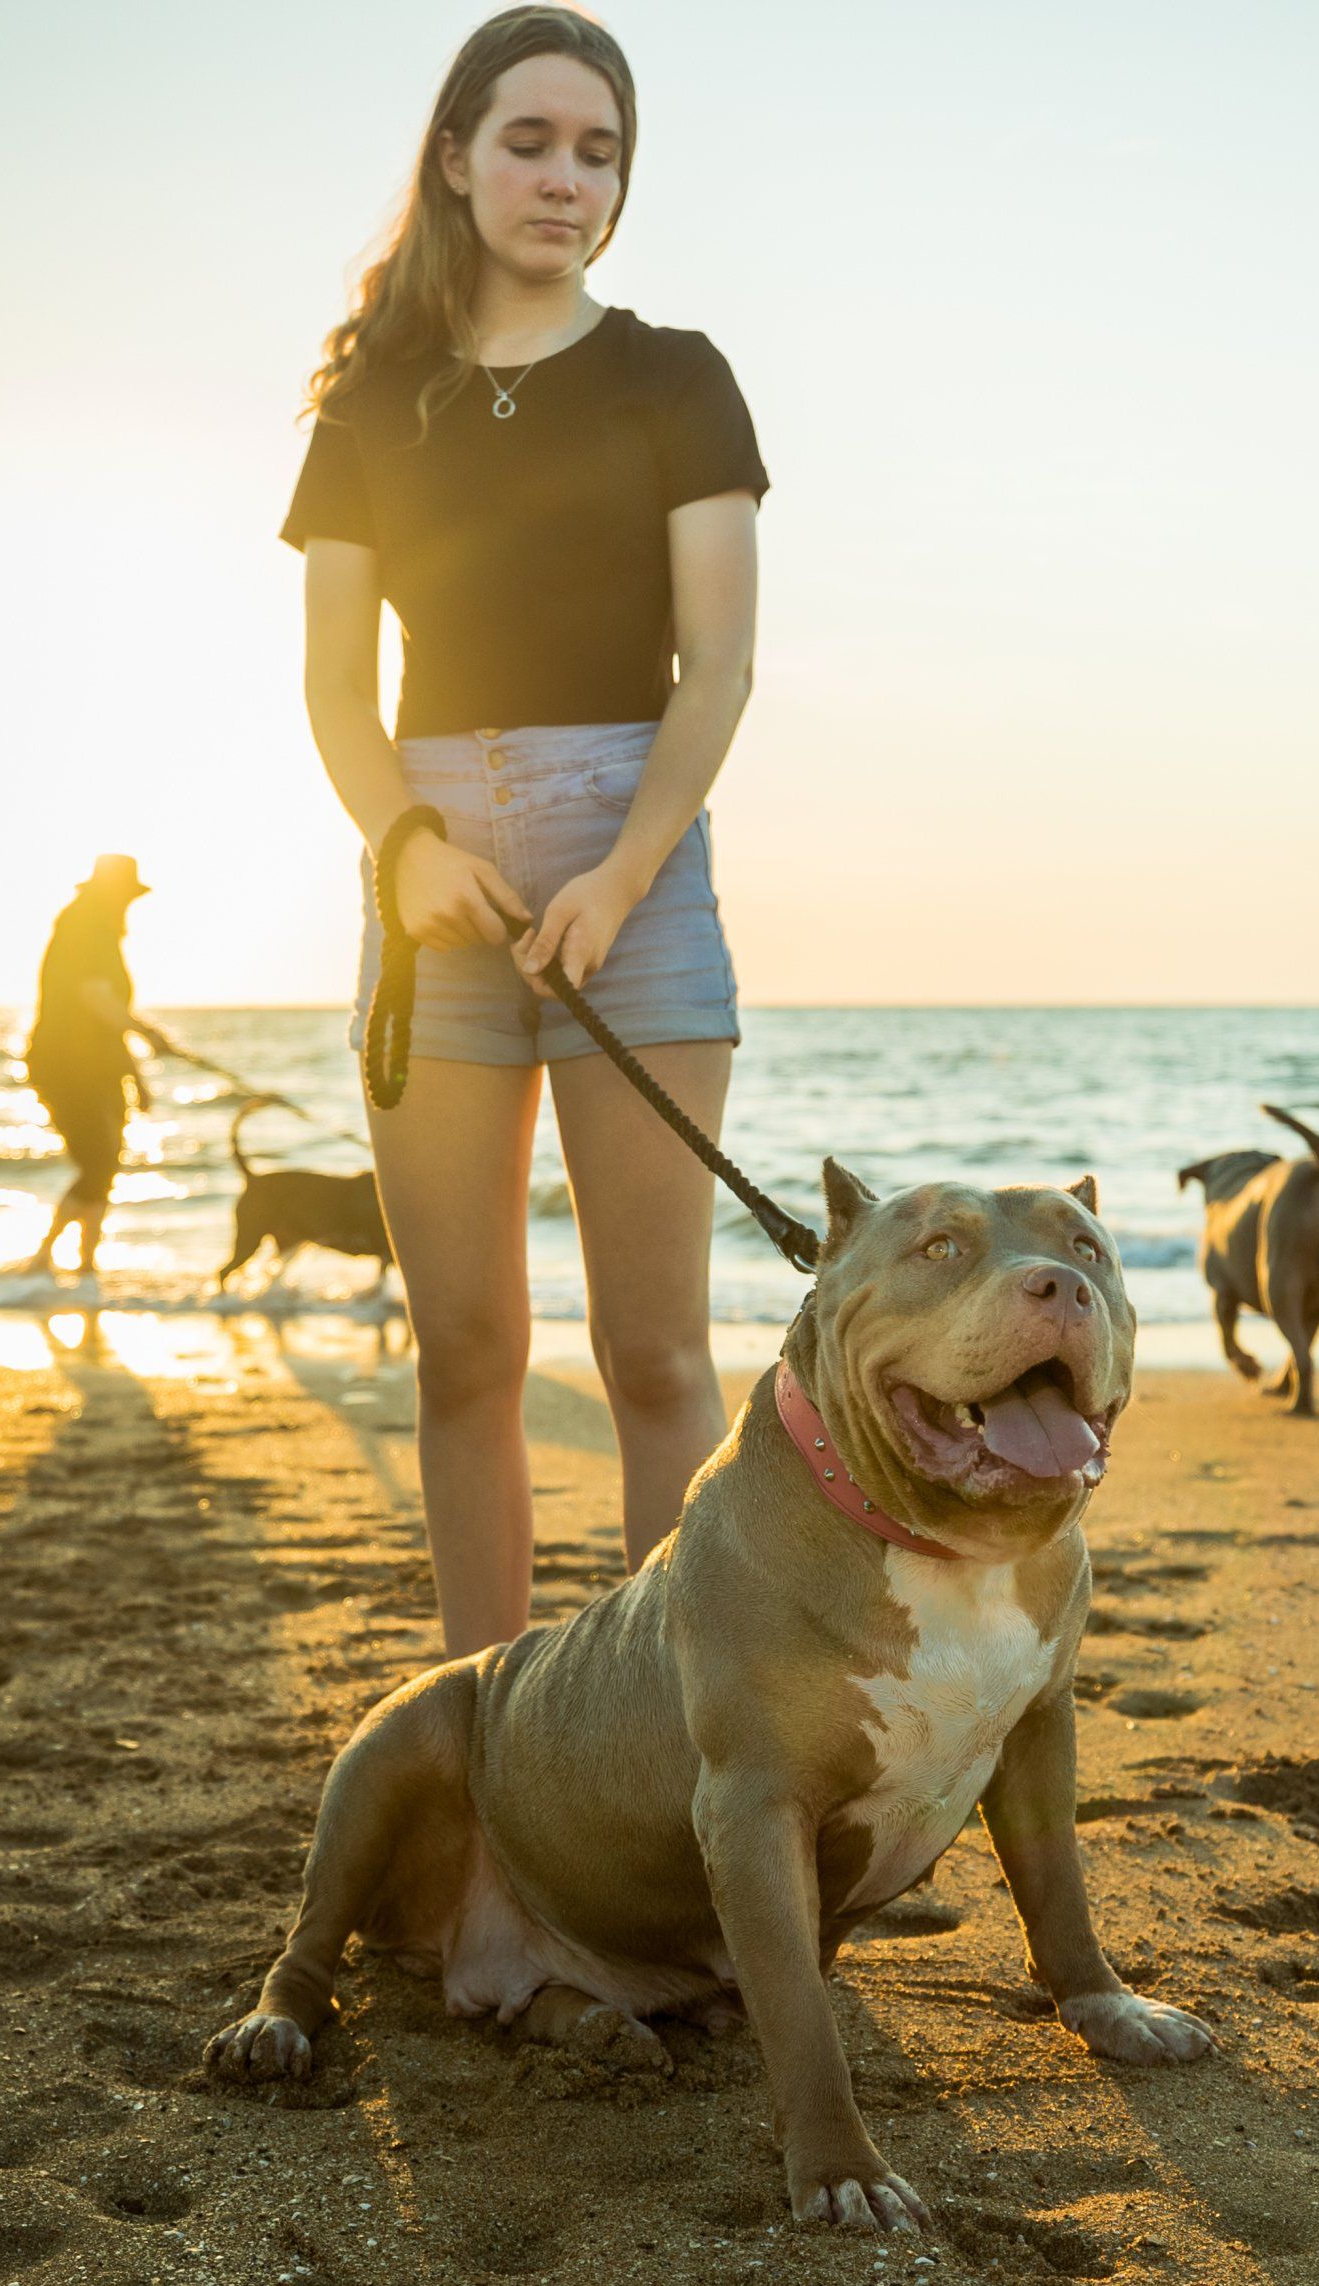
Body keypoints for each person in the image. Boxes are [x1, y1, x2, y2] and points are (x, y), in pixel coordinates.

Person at [282, 8, 765, 1655]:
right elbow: (338, 692)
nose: (569, 180)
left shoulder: (674, 377)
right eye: (533, 143)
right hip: (432, 880)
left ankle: (660, 1785)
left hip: (633, 857)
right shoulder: (371, 403)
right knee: (470, 1355)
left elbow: (721, 668)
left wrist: (623, 875)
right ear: (457, 158)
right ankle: (492, 1787)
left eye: (600, 150)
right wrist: (410, 846)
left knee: (654, 1359)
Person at [25, 855, 172, 1280]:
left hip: (101, 1065)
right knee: (97, 1165)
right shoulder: (84, 925)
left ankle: (87, 1266)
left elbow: (108, 1022)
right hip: (65, 1063)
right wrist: (150, 1034)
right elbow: (97, 1000)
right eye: (127, 895)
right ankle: (43, 1260)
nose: (129, 904)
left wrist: (136, 1078)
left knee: (105, 1165)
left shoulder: (104, 930)